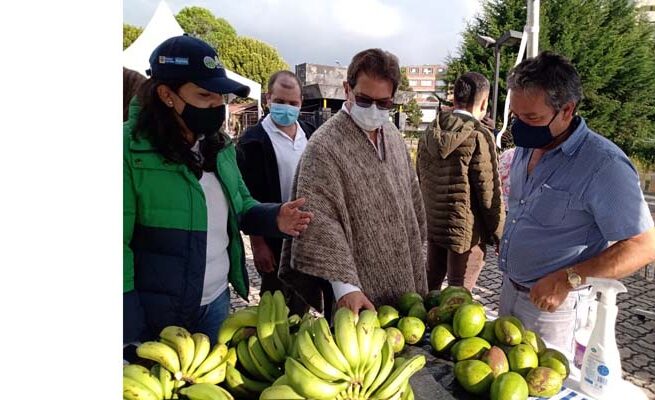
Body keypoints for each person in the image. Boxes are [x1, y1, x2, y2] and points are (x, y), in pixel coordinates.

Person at [123, 35, 313, 348]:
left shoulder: (220, 147)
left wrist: (275, 217)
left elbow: (242, 204)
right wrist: (129, 328)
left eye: (220, 97)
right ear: (167, 95)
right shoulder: (129, 151)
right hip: (155, 311)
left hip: (215, 303)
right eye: (205, 95)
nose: (217, 106)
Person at [497, 51, 655, 359]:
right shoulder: (528, 146)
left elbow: (644, 245)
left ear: (567, 110)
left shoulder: (604, 165)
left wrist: (566, 279)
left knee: (543, 386)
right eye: (517, 116)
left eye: (532, 118)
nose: (521, 127)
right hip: (509, 290)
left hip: (554, 309)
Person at [279, 48, 428, 316]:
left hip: (403, 275)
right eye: (364, 99)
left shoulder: (393, 135)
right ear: (347, 89)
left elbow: (411, 200)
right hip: (355, 288)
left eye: (383, 103)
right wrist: (345, 288)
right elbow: (320, 221)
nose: (373, 109)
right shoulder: (323, 146)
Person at [236, 70, 316, 315]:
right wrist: (258, 244)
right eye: (280, 101)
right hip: (272, 235)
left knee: (304, 296)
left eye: (293, 103)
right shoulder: (253, 141)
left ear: (301, 103)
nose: (286, 108)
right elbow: (247, 197)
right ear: (268, 99)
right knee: (274, 301)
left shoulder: (311, 133)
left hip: (306, 234)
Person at [416, 72, 504, 292]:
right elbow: (489, 194)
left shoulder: (429, 131)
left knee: (431, 285)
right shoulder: (479, 136)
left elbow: (421, 178)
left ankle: (422, 323)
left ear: (454, 98)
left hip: (434, 225)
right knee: (459, 295)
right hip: (466, 234)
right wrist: (500, 235)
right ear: (483, 103)